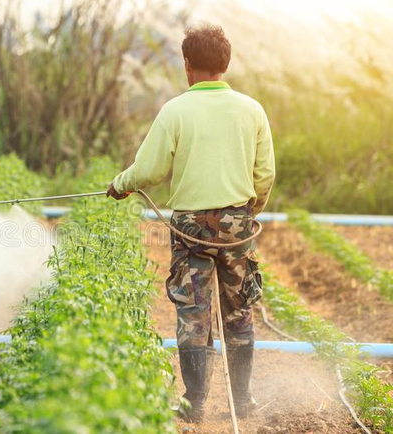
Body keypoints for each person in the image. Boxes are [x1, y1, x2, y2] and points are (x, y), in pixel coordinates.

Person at [106, 24, 275, 423]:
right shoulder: (251, 110)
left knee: (193, 314)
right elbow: (264, 174)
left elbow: (148, 169)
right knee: (240, 312)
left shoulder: (175, 110)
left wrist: (119, 185)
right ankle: (244, 400)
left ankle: (193, 405)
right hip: (237, 223)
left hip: (189, 228)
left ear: (187, 64)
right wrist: (249, 212)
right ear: (226, 64)